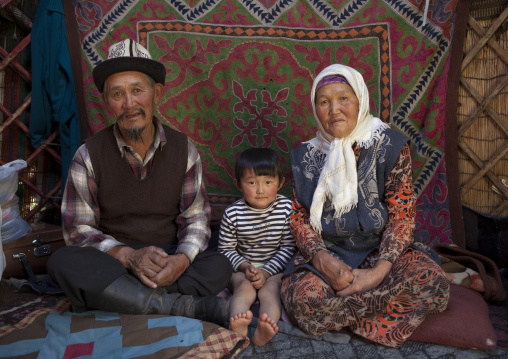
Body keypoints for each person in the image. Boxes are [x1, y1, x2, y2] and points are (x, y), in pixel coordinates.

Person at [47, 39, 232, 326]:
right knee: (63, 262)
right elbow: (78, 230)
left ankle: (119, 298)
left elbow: (196, 219)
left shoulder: (185, 150)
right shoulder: (88, 155)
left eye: (137, 90)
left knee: (218, 264)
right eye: (117, 94)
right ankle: (178, 306)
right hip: (115, 261)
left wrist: (181, 261)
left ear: (156, 93)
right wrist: (129, 257)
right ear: (107, 101)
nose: (129, 103)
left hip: (169, 259)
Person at [281, 64, 450, 348]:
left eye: (343, 98)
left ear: (360, 100)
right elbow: (299, 217)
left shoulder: (389, 146)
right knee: (303, 300)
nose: (334, 109)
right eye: (324, 102)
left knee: (431, 282)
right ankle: (388, 313)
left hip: (380, 252)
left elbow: (402, 218)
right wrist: (322, 259)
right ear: (315, 108)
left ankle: (342, 315)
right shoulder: (305, 156)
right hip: (328, 256)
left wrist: (377, 274)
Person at [218, 148, 295, 346]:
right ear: (239, 185)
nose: (260, 189)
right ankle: (238, 325)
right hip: (242, 267)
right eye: (252, 182)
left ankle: (265, 326)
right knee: (243, 289)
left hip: (274, 267)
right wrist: (245, 268)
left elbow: (288, 248)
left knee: (271, 290)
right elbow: (225, 250)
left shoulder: (287, 208)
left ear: (280, 183)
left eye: (268, 182)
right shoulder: (232, 213)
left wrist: (267, 273)